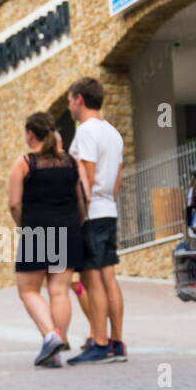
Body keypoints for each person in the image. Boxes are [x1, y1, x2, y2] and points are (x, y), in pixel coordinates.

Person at [7, 112, 83, 367]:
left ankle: (50, 336)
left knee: (28, 290)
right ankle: (56, 350)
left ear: (30, 134)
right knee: (59, 290)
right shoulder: (71, 162)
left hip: (37, 229)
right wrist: (77, 225)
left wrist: (23, 225)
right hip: (69, 229)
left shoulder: (25, 163)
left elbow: (14, 203)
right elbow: (82, 199)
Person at [65, 77, 126, 365]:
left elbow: (86, 177)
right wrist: (106, 201)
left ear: (79, 99)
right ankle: (116, 341)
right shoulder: (113, 133)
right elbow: (118, 178)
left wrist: (80, 213)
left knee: (93, 279)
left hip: (91, 213)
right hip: (108, 209)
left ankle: (100, 343)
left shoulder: (86, 132)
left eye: (69, 101)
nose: (69, 107)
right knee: (109, 277)